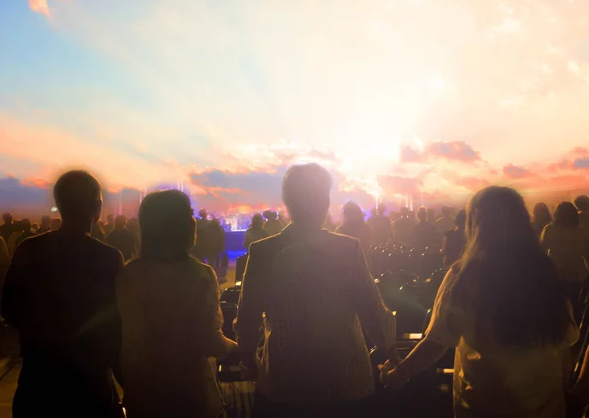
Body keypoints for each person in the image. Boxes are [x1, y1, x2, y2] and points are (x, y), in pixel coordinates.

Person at [380, 186, 578, 418]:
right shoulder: (546, 273)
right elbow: (564, 344)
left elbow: (437, 341)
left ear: (476, 225)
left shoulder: (465, 276)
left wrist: (398, 374)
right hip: (546, 407)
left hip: (485, 404)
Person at [236, 164, 399, 418]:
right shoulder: (347, 249)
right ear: (325, 202)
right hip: (346, 379)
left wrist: (248, 356)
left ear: (287, 203)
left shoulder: (262, 251)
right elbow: (372, 312)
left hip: (284, 380)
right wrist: (390, 354)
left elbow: (248, 317)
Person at [2, 170, 124, 418]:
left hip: (38, 382)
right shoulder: (108, 258)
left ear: (59, 204)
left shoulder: (29, 249)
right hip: (91, 386)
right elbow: (117, 323)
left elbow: (9, 308)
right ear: (97, 207)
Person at [116, 190, 237, 418]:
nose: (194, 222)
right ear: (177, 225)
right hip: (191, 396)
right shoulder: (199, 275)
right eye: (189, 214)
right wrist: (236, 348)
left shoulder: (129, 273)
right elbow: (210, 341)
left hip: (144, 396)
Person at [540, 202, 589, 306]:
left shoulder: (549, 229)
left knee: (558, 307)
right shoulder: (581, 231)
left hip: (556, 274)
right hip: (576, 275)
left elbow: (542, 253)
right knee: (576, 305)